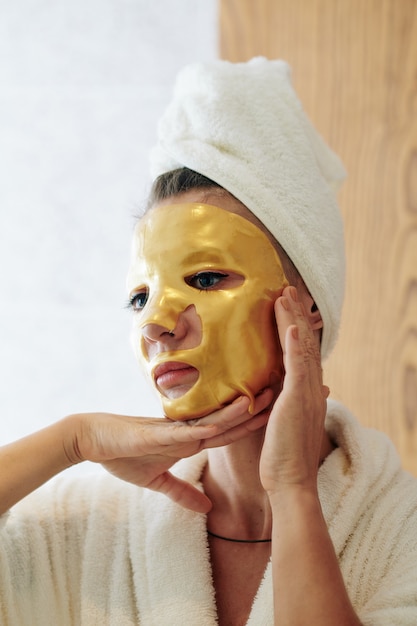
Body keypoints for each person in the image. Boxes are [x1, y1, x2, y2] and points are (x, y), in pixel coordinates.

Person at [1, 57, 416, 626]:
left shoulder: (401, 531)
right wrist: (74, 441)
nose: (156, 323)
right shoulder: (91, 526)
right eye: (140, 297)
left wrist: (293, 491)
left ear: (310, 306)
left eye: (205, 278)